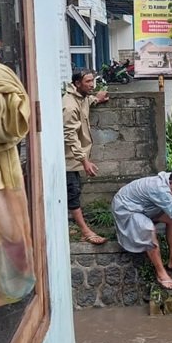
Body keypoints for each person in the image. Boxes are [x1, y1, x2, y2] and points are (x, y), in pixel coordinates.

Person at [63, 68, 109, 244]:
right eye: (88, 82)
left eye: (92, 81)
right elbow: (70, 136)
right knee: (73, 193)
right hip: (69, 159)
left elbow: (86, 101)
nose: (92, 85)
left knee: (74, 191)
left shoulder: (80, 98)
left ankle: (75, 227)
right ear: (77, 84)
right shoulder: (69, 105)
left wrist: (96, 99)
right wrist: (84, 161)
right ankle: (85, 231)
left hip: (75, 159)